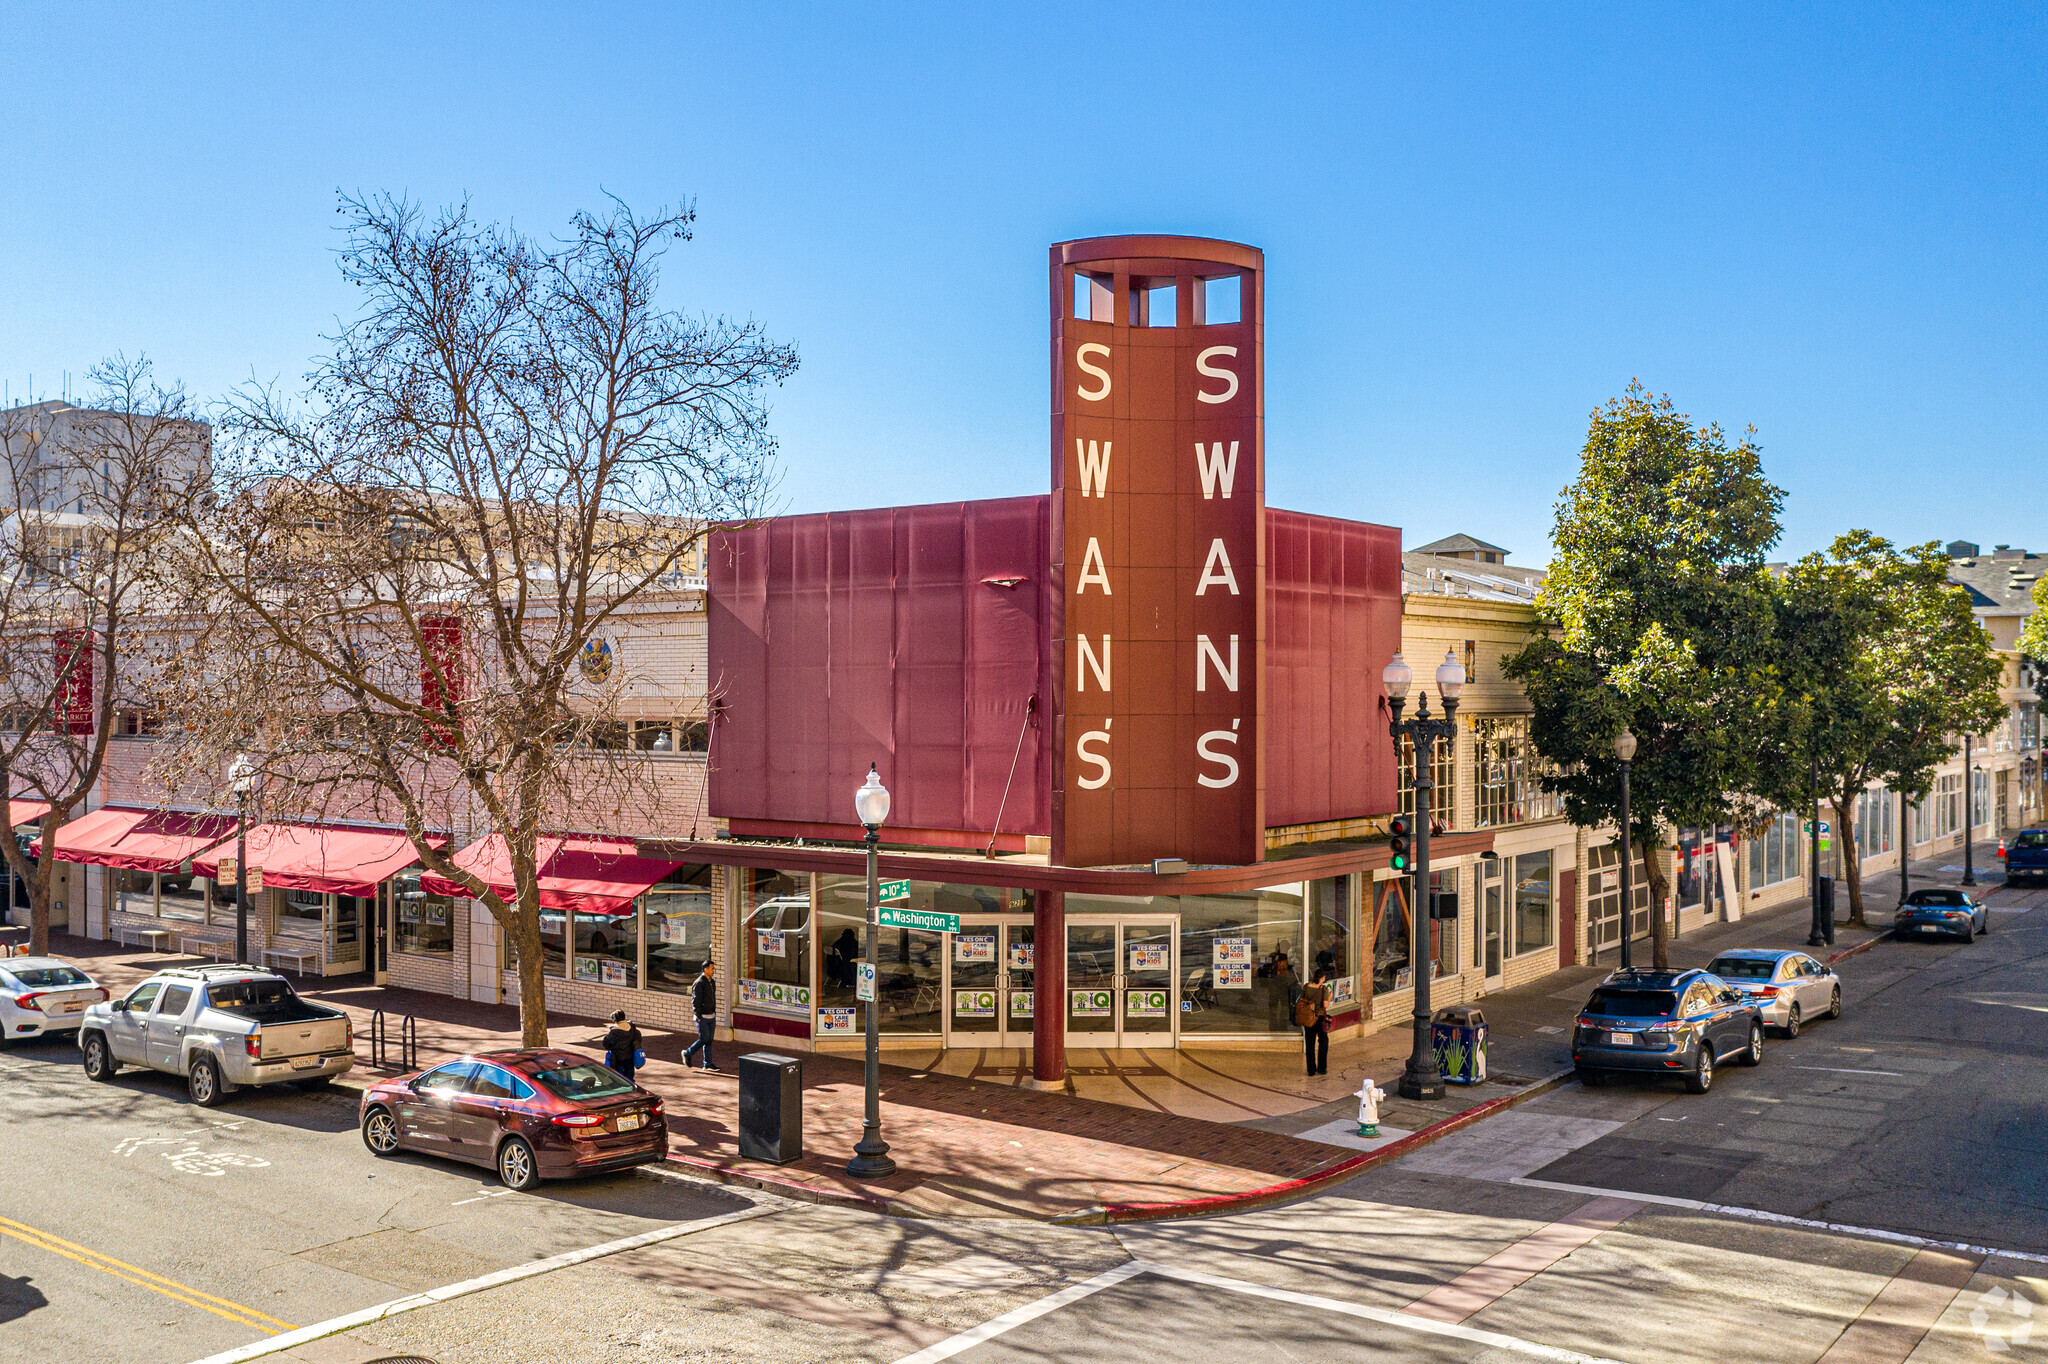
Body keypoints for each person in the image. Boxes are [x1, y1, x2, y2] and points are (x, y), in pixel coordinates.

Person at [1294, 966, 1332, 1076]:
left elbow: (1301, 999)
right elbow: (1325, 1005)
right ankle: (1322, 1067)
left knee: (1310, 1044)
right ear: (1323, 978)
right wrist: (1329, 997)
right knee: (1323, 1041)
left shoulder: (1306, 987)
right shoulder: (1323, 989)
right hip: (1319, 1018)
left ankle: (1311, 1070)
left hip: (1308, 1019)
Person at [683, 960, 719, 1072]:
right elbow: (695, 1001)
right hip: (702, 1017)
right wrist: (698, 1015)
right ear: (705, 969)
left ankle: (707, 1063)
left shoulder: (711, 982)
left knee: (709, 1040)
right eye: (712, 968)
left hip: (711, 1015)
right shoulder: (699, 983)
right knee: (704, 1039)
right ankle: (688, 1053)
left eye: (714, 969)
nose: (713, 971)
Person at [603, 1009, 643, 1084]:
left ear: (615, 1019)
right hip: (630, 1058)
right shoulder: (632, 1028)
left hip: (618, 1059)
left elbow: (606, 1044)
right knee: (630, 1078)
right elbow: (638, 1039)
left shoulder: (614, 1032)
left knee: (619, 1079)